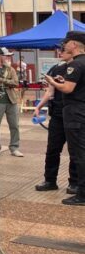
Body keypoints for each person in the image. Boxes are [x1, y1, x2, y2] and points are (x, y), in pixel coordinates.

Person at [45, 31, 85, 205]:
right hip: (81, 110)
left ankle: (81, 194)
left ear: (74, 44)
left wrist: (53, 82)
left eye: (66, 43)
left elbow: (68, 89)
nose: (64, 46)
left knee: (78, 154)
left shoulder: (76, 64)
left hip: (75, 112)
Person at [33, 46, 79, 193]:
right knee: (52, 149)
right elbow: (50, 91)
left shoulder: (78, 67)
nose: (60, 53)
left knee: (75, 151)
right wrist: (39, 106)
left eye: (63, 50)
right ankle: (50, 180)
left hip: (74, 114)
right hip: (57, 115)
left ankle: (75, 182)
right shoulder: (55, 68)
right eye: (59, 50)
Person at [0, 47, 23, 157]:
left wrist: (1, 80)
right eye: (5, 55)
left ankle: (14, 147)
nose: (7, 57)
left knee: (14, 125)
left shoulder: (10, 69)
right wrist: (8, 82)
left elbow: (16, 83)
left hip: (11, 100)